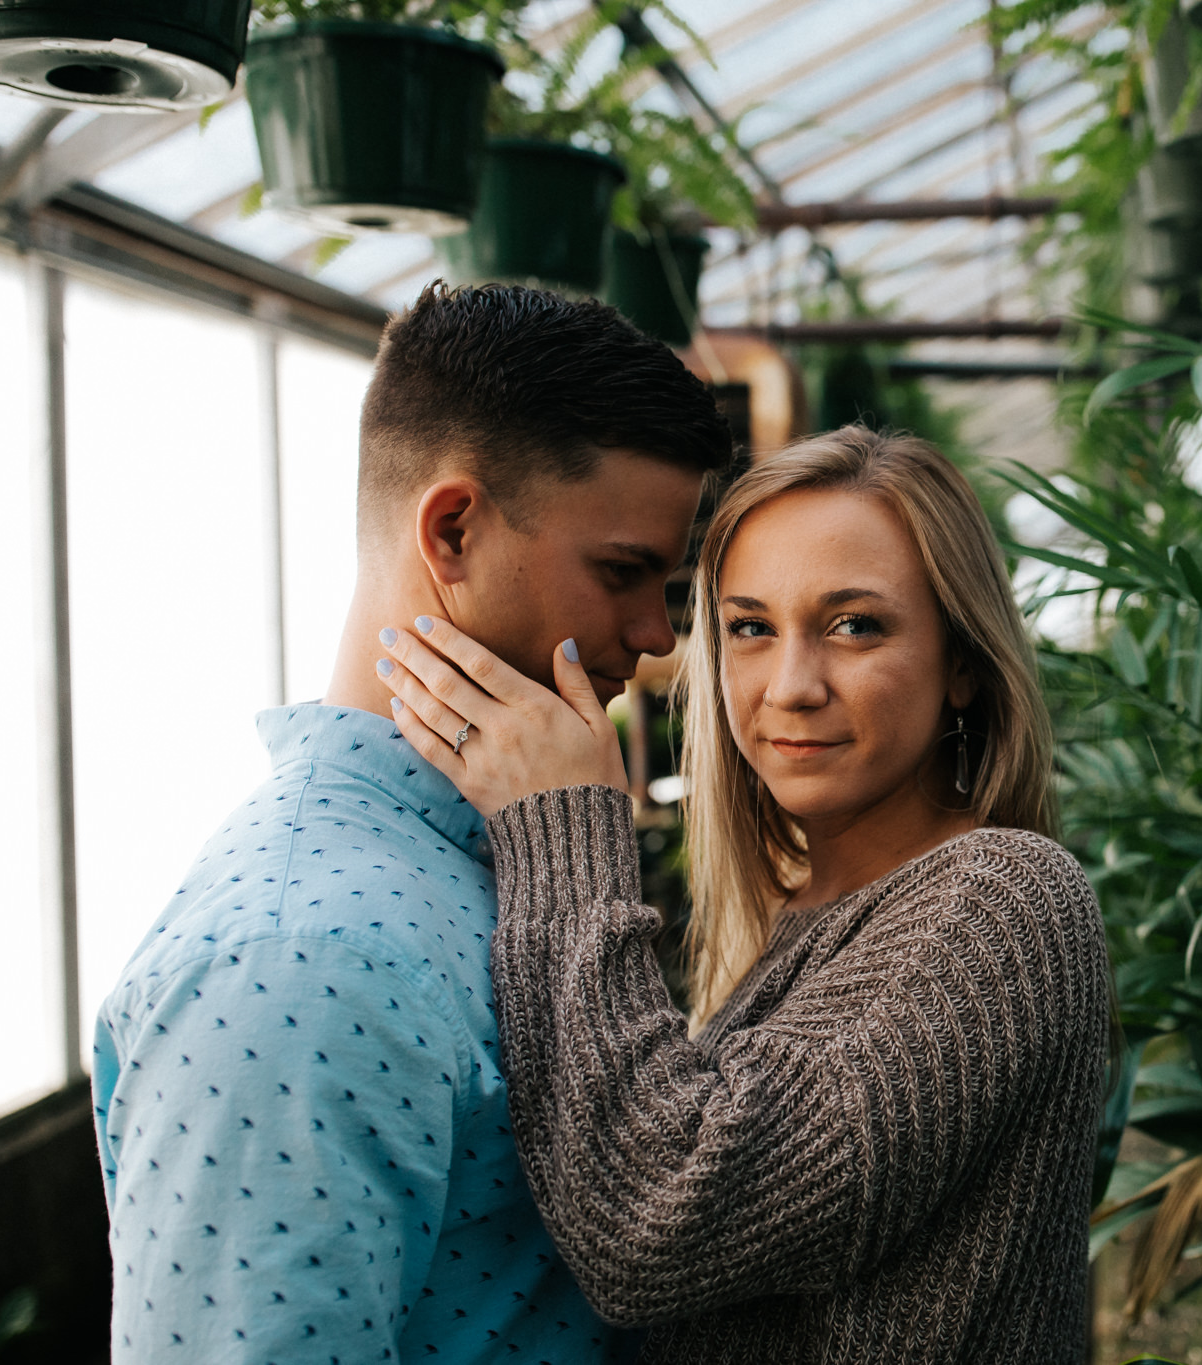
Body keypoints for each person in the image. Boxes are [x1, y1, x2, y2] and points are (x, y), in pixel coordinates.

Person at [90, 281, 732, 1363]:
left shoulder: (491, 864)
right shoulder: (303, 957)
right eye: (622, 573)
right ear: (452, 529)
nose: (652, 637)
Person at [372, 427, 1111, 1362]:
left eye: (855, 624)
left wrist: (563, 820)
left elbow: (654, 1221)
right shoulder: (805, 911)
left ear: (962, 663)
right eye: (751, 628)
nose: (792, 686)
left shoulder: (1002, 898)